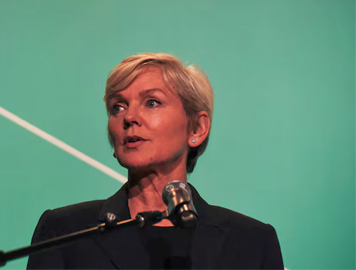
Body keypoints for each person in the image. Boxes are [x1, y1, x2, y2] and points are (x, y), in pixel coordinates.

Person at [27, 53, 284, 269]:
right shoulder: (64, 232)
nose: (129, 117)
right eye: (118, 107)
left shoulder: (251, 241)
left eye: (152, 102)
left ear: (196, 129)